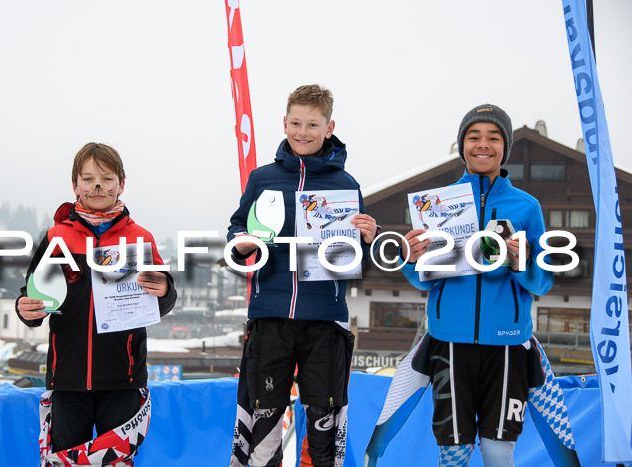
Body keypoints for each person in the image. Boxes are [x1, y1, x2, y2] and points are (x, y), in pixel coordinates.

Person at [228, 84, 378, 467]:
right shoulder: (262, 179)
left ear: (329, 127)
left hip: (324, 322)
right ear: (284, 123)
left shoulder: (346, 186)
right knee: (263, 418)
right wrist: (241, 243)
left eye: (313, 124)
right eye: (296, 123)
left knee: (324, 424)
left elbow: (354, 260)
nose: (303, 132)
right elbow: (236, 231)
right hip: (270, 316)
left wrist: (366, 239)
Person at [400, 104, 552, 466]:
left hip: (507, 343)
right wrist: (410, 259)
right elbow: (424, 280)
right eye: (474, 136)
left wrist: (521, 264)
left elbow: (542, 282)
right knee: (453, 450)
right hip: (449, 343)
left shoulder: (526, 207)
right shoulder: (437, 204)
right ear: (462, 144)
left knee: (499, 448)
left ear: (505, 147)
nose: (483, 145)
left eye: (493, 137)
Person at [16, 142, 176, 466]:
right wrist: (25, 308)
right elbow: (32, 296)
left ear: (121, 184)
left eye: (106, 178)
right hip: (68, 380)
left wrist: (165, 290)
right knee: (63, 461)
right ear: (75, 185)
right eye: (88, 179)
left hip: (124, 380)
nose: (97, 186)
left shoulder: (140, 238)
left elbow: (161, 300)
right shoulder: (56, 237)